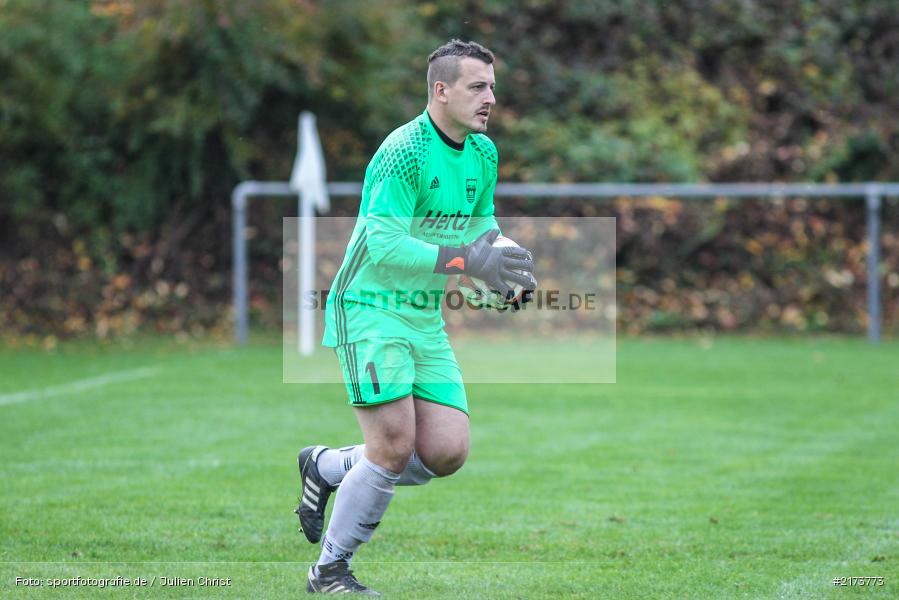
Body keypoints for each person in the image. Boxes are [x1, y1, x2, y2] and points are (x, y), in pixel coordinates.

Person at [295, 39, 536, 596]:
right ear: (441, 90)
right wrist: (466, 261)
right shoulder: (403, 151)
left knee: (446, 451)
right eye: (478, 87)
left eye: (492, 87)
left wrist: (502, 277)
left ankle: (327, 467)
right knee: (391, 445)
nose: (490, 99)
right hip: (369, 309)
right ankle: (329, 571)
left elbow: (482, 230)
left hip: (423, 317)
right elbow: (383, 245)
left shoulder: (483, 153)